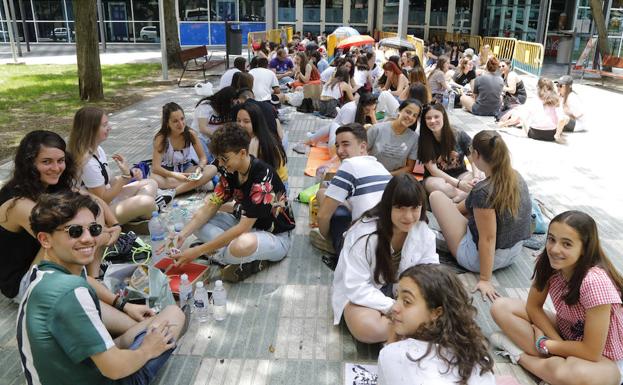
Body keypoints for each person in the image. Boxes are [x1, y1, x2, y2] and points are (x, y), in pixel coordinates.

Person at [17, 191, 185, 385]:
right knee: (173, 315)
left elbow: (87, 280)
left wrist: (124, 305)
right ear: (45, 239)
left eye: (94, 229)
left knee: (152, 323)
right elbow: (115, 370)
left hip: (68, 373)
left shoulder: (45, 273)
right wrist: (147, 350)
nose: (89, 239)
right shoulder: (69, 292)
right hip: (108, 375)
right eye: (74, 231)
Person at [490, 210, 623, 385]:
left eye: (567, 244)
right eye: (551, 239)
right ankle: (551, 364)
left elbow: (591, 352)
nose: (554, 249)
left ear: (584, 248)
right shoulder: (548, 262)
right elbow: (533, 307)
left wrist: (545, 344)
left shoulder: (594, 281)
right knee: (500, 307)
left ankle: (520, 356)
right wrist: (556, 341)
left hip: (604, 358)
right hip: (568, 334)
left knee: (572, 374)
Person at [0, 131, 118, 300]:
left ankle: (94, 277)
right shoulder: (18, 203)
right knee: (64, 236)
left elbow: (94, 200)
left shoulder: (51, 185)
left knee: (86, 211)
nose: (56, 168)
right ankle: (93, 286)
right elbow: (63, 241)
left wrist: (115, 225)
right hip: (26, 281)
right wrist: (102, 234)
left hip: (57, 265)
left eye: (60, 161)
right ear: (29, 164)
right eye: (46, 162)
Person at [173, 125, 295, 283]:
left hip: (275, 236)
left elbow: (242, 229)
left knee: (240, 245)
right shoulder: (230, 171)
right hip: (243, 223)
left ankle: (221, 253)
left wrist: (197, 251)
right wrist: (182, 235)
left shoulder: (262, 178)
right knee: (192, 218)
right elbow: (212, 205)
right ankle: (228, 255)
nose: (221, 164)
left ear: (243, 153)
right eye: (219, 159)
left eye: (225, 158)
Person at [332, 174, 439, 343]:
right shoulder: (364, 235)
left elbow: (430, 273)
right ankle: (413, 327)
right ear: (388, 206)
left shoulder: (423, 231)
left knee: (445, 310)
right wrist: (395, 308)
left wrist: (413, 302)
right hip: (364, 293)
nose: (408, 216)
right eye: (400, 208)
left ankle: (406, 327)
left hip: (403, 294)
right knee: (369, 329)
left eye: (414, 208)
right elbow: (356, 286)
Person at [429, 130, 532, 301]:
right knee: (461, 210)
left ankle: (442, 238)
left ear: (475, 154)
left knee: (436, 197)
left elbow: (488, 239)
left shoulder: (483, 191)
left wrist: (485, 279)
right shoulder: (515, 175)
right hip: (514, 253)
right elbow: (465, 209)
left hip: (481, 261)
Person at [378, 264, 495, 385]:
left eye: (407, 301)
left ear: (436, 312)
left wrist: (391, 345)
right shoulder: (478, 356)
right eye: (397, 297)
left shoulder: (392, 355)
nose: (395, 307)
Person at [68, 106, 159, 228]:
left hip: (110, 203)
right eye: (105, 125)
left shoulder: (97, 149)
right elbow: (103, 199)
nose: (109, 128)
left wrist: (130, 173)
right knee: (147, 202)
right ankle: (130, 217)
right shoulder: (87, 162)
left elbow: (109, 181)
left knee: (151, 183)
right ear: (91, 129)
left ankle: (132, 217)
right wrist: (125, 177)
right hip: (99, 213)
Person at [313, 123, 391, 258]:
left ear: (362, 146)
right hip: (389, 240)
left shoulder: (349, 165)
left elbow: (322, 215)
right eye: (337, 145)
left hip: (362, 248)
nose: (339, 150)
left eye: (345, 144)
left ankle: (336, 248)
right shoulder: (380, 166)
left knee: (322, 194)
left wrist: (326, 237)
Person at [150, 102, 215, 197]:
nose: (181, 124)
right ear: (167, 123)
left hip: (186, 168)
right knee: (154, 179)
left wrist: (199, 168)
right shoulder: (161, 138)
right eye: (175, 121)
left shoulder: (191, 134)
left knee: (212, 169)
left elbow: (203, 158)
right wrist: (176, 175)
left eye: (182, 119)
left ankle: (173, 192)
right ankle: (196, 185)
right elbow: (155, 168)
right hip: (168, 173)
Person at [418, 103, 479, 202]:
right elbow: (433, 170)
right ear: (424, 121)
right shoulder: (423, 140)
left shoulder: (458, 133)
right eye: (428, 118)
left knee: (482, 177)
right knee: (438, 186)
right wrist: (458, 184)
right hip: (436, 178)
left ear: (443, 116)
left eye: (436, 116)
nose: (433, 121)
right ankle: (465, 196)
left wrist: (476, 177)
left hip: (461, 174)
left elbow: (474, 160)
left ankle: (457, 198)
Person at [300, 92, 378, 156]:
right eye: (368, 110)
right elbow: (344, 133)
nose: (370, 112)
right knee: (334, 126)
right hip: (339, 143)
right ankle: (311, 138)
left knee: (332, 125)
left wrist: (372, 115)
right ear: (361, 106)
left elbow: (377, 130)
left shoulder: (366, 113)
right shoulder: (350, 110)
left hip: (344, 147)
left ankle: (311, 138)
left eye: (373, 109)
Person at [234, 101, 289, 187]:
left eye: (246, 121)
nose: (241, 125)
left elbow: (259, 175)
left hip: (276, 186)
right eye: (238, 120)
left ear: (256, 122)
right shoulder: (241, 138)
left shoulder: (263, 143)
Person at [366, 99, 420, 175]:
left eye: (415, 115)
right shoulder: (377, 129)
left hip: (394, 179)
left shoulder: (414, 138)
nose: (410, 117)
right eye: (408, 112)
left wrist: (387, 175)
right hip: (371, 174)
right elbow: (361, 154)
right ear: (399, 110)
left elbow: (409, 168)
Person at [192, 86, 238, 154]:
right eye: (231, 103)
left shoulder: (227, 110)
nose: (232, 105)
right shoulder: (205, 107)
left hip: (216, 140)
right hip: (201, 139)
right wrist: (219, 137)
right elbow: (202, 128)